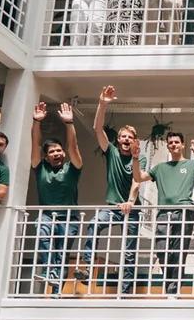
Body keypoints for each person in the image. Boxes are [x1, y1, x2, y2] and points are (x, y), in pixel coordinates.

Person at [134, 131, 194, 295]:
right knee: (162, 250)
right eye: (170, 143)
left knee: (178, 253)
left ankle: (172, 292)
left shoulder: (191, 165)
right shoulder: (160, 168)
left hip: (184, 212)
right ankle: (170, 287)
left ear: (182, 145)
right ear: (168, 146)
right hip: (163, 213)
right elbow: (139, 178)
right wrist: (135, 158)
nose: (173, 145)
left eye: (176, 142)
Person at [78, 86, 140, 293]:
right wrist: (102, 104)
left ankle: (125, 292)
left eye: (130, 137)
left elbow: (137, 182)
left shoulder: (138, 158)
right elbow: (98, 129)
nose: (126, 139)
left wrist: (130, 202)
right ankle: (87, 269)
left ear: (134, 141)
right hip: (113, 207)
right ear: (118, 140)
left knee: (129, 252)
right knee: (94, 224)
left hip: (132, 210)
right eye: (123, 136)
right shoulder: (111, 151)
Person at [28, 102, 83, 291]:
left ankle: (56, 293)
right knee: (42, 232)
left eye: (59, 150)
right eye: (52, 152)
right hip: (47, 215)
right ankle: (49, 270)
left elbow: (73, 147)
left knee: (62, 254)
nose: (56, 153)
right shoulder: (40, 168)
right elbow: (35, 145)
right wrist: (36, 122)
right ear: (46, 157)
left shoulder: (72, 168)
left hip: (69, 218)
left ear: (64, 153)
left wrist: (69, 123)